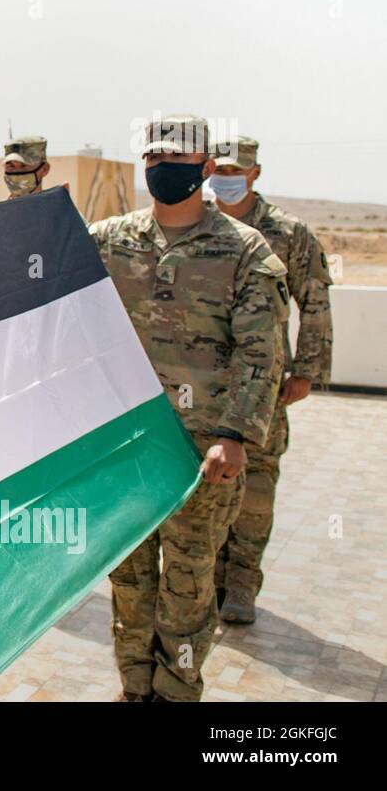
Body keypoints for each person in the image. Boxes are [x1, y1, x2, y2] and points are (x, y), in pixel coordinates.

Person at [89, 114, 288, 702]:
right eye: (154, 161)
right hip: (127, 451)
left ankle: (176, 691)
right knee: (128, 582)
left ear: (203, 169)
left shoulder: (244, 249)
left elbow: (261, 352)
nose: (164, 171)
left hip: (205, 457)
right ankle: (134, 687)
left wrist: (234, 434)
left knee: (188, 583)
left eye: (177, 162)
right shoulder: (107, 241)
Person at [208, 136, 333, 623]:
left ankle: (241, 586)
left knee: (256, 492)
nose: (227, 176)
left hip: (264, 385)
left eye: (236, 169)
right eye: (218, 168)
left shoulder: (289, 233)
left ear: (255, 172)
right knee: (210, 491)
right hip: (204, 389)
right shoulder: (195, 226)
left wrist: (307, 370)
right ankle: (210, 582)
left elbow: (316, 302)